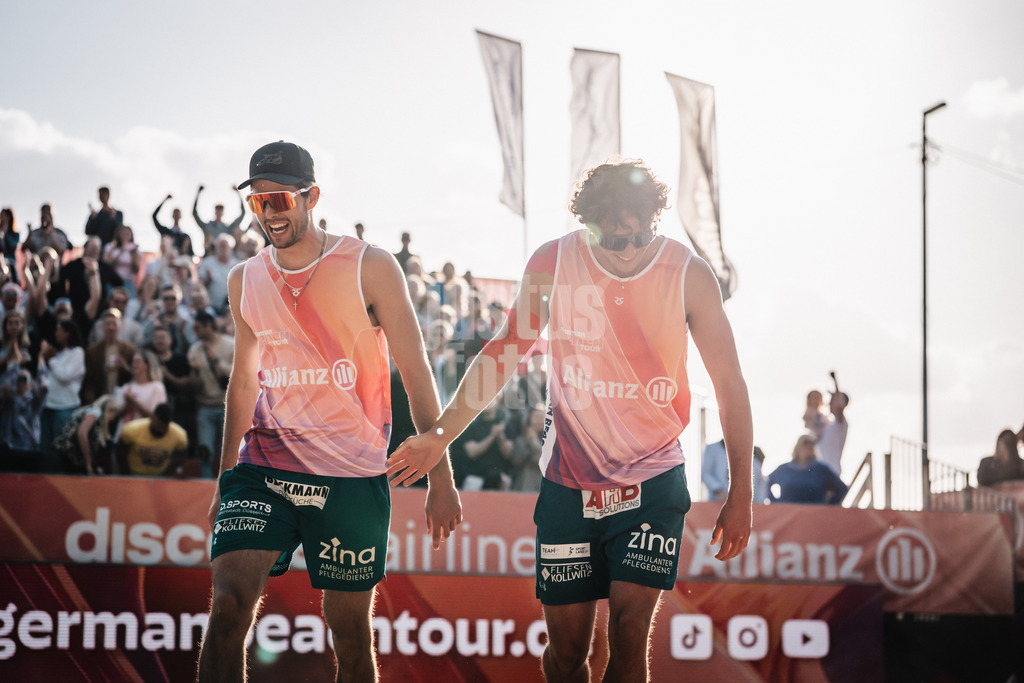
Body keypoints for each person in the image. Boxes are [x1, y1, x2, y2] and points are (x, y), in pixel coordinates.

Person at [388, 159, 753, 682]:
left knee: (630, 634)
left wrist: (741, 494)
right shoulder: (554, 262)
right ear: (590, 225)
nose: (629, 251)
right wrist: (440, 436)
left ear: (655, 220)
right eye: (616, 240)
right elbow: (502, 353)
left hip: (651, 477)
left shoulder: (687, 272)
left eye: (641, 236)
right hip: (569, 480)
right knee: (566, 653)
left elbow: (730, 385)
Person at [197, 140, 462, 682]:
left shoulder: (371, 266)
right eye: (258, 202)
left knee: (350, 635)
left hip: (351, 474)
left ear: (312, 196)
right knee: (226, 610)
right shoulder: (244, 278)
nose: (269, 213)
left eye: (281, 201)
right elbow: (243, 381)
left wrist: (442, 479)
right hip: (265, 468)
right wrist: (225, 478)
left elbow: (415, 373)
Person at [187, 310, 233, 476]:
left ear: (208, 326)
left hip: (227, 406)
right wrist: (196, 373)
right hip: (205, 405)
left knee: (228, 452)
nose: (195, 332)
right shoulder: (194, 350)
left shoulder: (230, 345)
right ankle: (206, 487)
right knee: (204, 450)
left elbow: (238, 374)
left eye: (198, 328)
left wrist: (217, 362)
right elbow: (195, 386)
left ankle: (227, 487)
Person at [37, 319, 86, 472]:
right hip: (49, 405)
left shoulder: (77, 352)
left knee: (61, 448)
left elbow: (65, 376)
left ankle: (60, 479)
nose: (56, 333)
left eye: (59, 330)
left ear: (68, 333)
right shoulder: (59, 355)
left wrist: (51, 360)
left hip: (65, 406)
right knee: (45, 448)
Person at [767, 434, 848, 504]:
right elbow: (765, 483)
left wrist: (827, 506)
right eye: (806, 442)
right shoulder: (784, 469)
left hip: (813, 518)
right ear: (798, 446)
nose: (810, 445)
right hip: (787, 518)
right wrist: (775, 503)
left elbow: (842, 488)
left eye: (813, 443)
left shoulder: (822, 470)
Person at [115, 402, 189, 476]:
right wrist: (127, 476)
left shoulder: (179, 435)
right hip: (134, 475)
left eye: (165, 426)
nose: (161, 430)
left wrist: (166, 475)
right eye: (159, 425)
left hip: (161, 478)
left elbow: (179, 458)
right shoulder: (132, 430)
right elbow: (121, 455)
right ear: (152, 417)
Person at [192, 184, 246, 255]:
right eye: (217, 210)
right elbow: (194, 213)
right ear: (215, 212)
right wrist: (198, 193)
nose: (219, 212)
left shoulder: (228, 228)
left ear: (223, 213)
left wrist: (238, 193)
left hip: (225, 256)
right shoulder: (207, 226)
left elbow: (242, 213)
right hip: (210, 254)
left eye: (220, 210)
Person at [101, 224, 141, 296]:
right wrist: (121, 251)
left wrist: (133, 254)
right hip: (113, 281)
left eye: (128, 233)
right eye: (123, 233)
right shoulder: (110, 247)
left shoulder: (134, 249)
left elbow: (136, 269)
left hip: (128, 282)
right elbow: (106, 264)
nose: (125, 235)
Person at [817, 391, 849, 478]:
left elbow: (840, 408)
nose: (829, 403)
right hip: (819, 473)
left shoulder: (840, 425)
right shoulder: (829, 425)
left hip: (830, 474)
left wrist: (835, 382)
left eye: (832, 400)